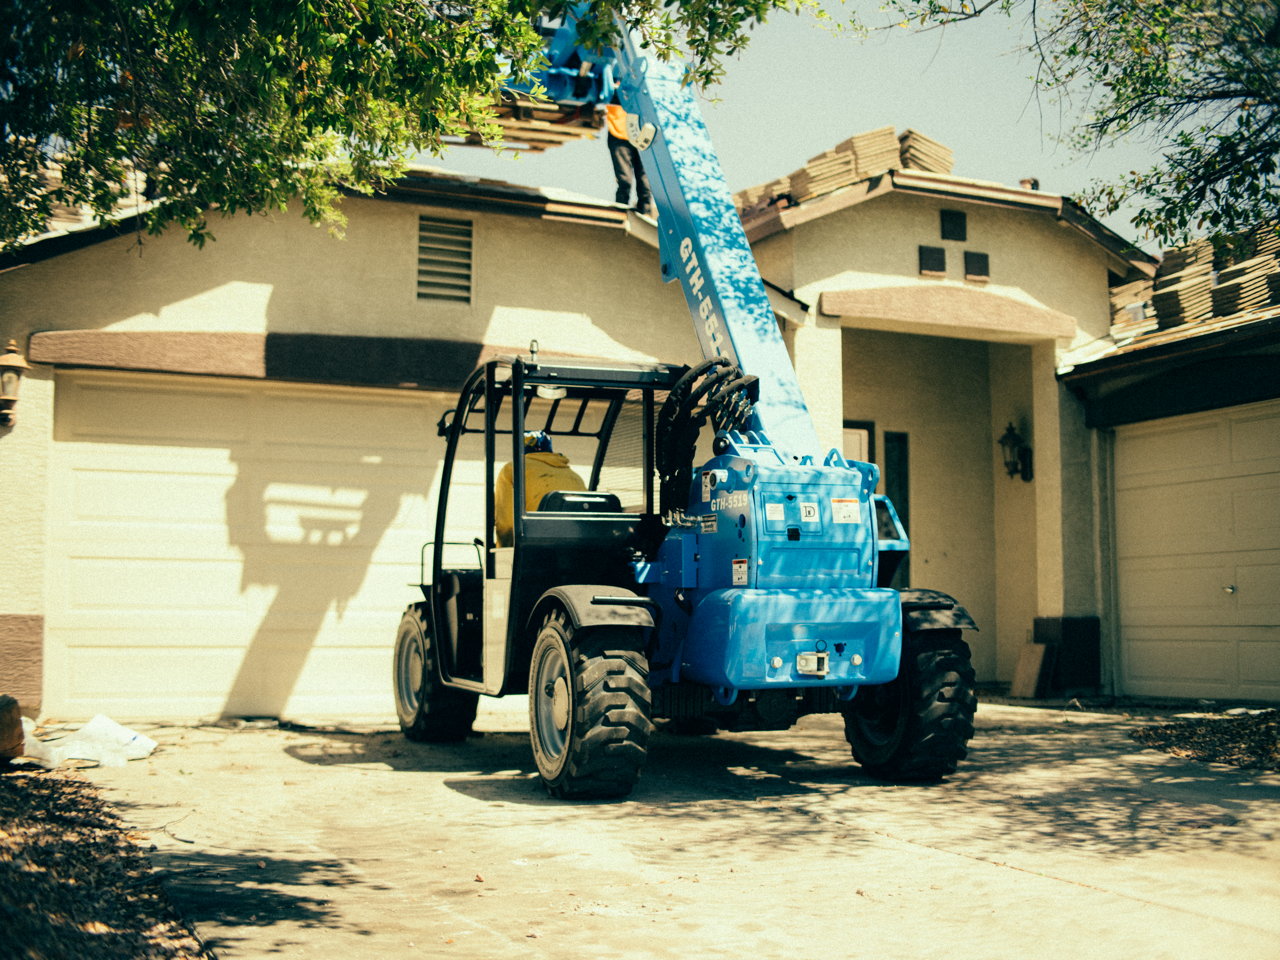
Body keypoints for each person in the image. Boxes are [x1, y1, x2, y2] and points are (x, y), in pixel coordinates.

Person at [494, 431, 587, 547]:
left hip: (534, 549)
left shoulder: (512, 469)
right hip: (578, 548)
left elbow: (506, 522)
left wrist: (503, 549)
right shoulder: (575, 476)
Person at [606, 95, 654, 216]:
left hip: (643, 134)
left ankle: (645, 216)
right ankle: (620, 215)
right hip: (619, 134)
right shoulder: (614, 85)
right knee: (625, 182)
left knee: (645, 184)